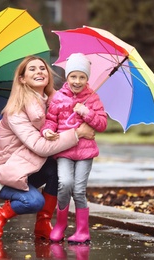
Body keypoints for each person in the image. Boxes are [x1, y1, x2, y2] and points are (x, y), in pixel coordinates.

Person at [0, 55, 95, 241]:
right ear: (22, 79)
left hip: (27, 170)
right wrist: (78, 134)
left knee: (56, 170)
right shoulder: (16, 112)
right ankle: (0, 216)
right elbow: (39, 147)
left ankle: (43, 224)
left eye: (42, 68)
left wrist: (86, 113)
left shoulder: (53, 103)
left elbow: (63, 123)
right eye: (32, 69)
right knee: (33, 201)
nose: (39, 72)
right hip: (4, 174)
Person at [41, 53, 107, 244]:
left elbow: (102, 124)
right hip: (64, 152)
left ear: (87, 78)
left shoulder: (93, 98)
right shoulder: (59, 97)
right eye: (73, 76)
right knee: (65, 184)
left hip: (85, 153)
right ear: (67, 76)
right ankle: (60, 225)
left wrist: (86, 112)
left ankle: (82, 230)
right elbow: (51, 120)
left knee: (79, 190)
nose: (77, 81)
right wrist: (47, 132)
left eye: (82, 77)